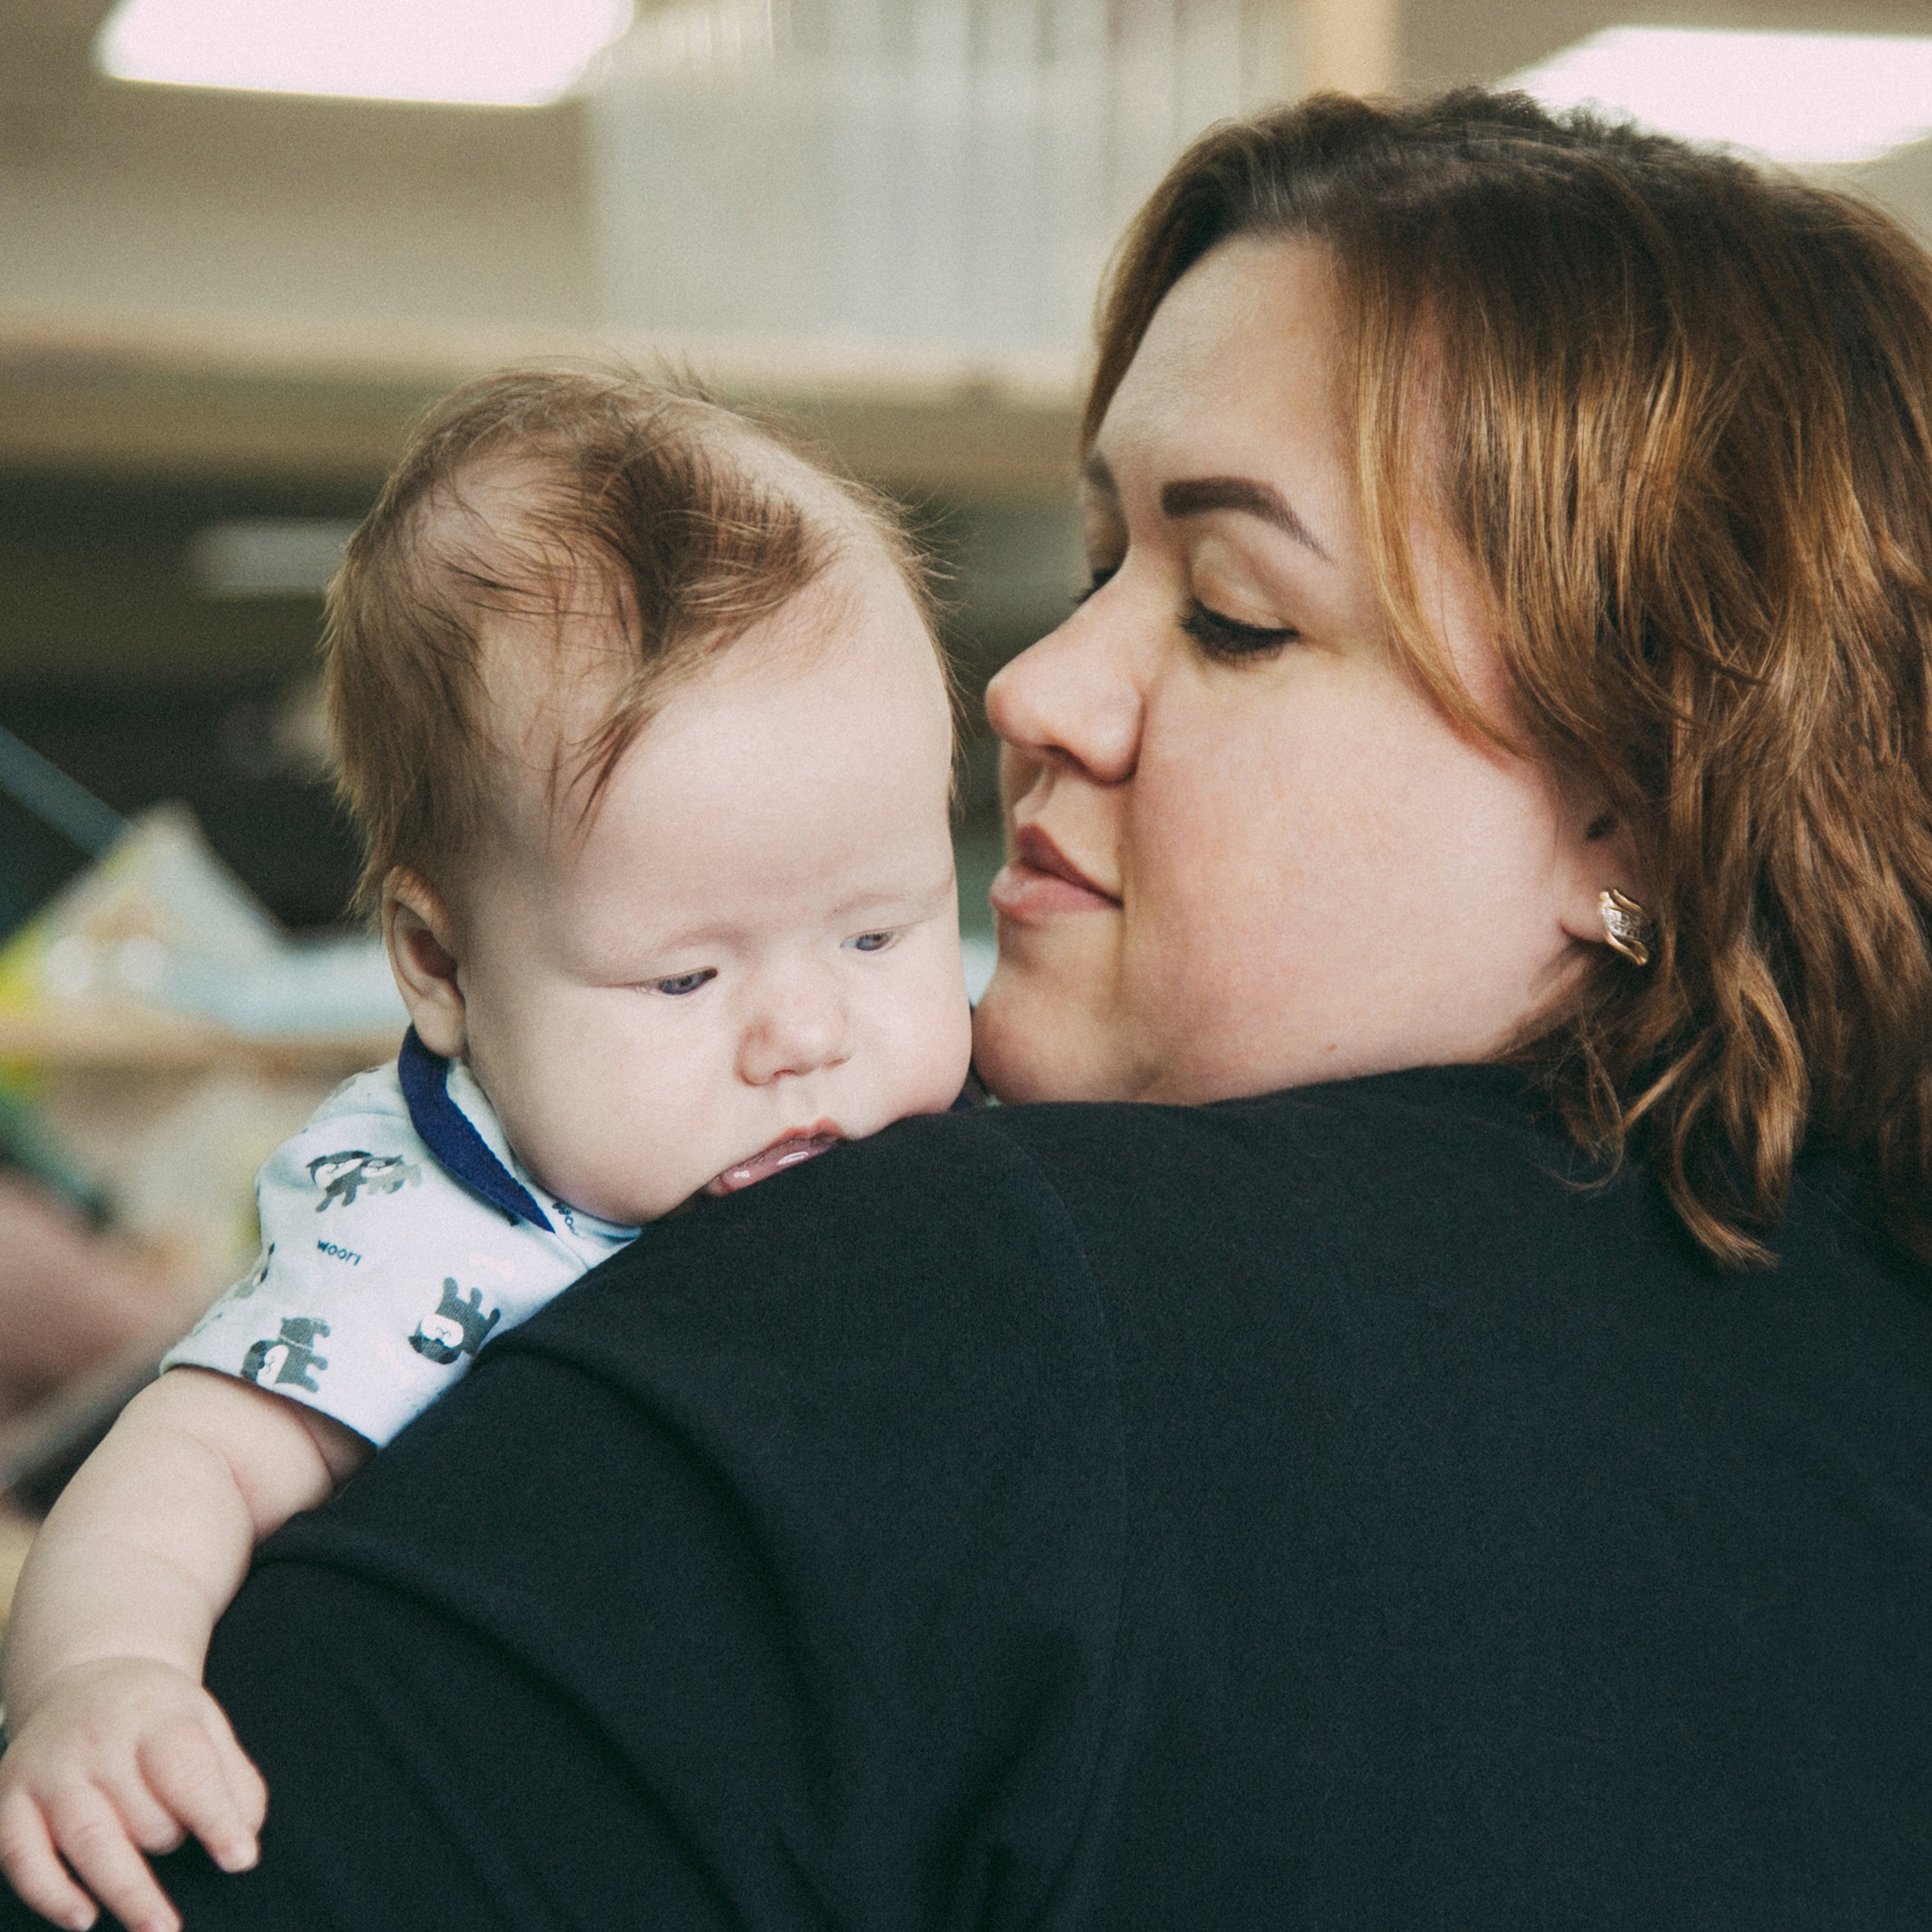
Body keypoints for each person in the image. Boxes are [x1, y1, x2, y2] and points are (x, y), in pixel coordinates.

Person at [7, 82, 1932, 1927]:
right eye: (1096, 562)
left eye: (1232, 611)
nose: (1027, 689)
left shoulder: (956, 1287)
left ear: (1642, 793)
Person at [0, 372, 970, 1932]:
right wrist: (105, 1675)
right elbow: (182, 1466)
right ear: (440, 966)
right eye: (684, 978)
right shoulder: (431, 1231)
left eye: (877, 931)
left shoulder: (942, 1128)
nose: (805, 1033)